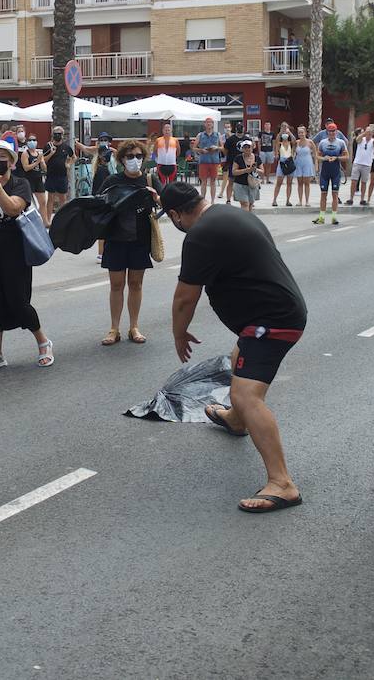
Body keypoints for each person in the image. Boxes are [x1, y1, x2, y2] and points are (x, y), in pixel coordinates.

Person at [162, 182, 307, 514]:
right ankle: (236, 420)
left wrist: (178, 334)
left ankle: (282, 483)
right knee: (237, 357)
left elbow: (185, 297)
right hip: (274, 312)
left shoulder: (199, 235)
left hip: (271, 322)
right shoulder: (228, 213)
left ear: (175, 215)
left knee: (246, 394)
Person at [0, 141, 53, 371]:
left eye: (2, 157)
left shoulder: (20, 183)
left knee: (18, 298)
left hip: (14, 246)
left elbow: (13, 208)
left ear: (12, 163)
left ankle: (43, 342)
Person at [97, 139, 160, 346]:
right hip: (115, 239)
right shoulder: (113, 180)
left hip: (139, 240)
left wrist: (156, 196)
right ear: (122, 159)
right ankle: (114, 328)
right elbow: (98, 206)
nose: (135, 160)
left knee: (136, 284)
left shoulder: (150, 179)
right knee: (116, 285)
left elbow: (166, 202)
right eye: (130, 156)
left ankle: (134, 326)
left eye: (139, 156)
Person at [312, 123, 349, 225]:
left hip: (335, 171)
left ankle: (334, 217)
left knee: (335, 194)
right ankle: (322, 217)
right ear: (327, 132)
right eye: (330, 131)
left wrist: (337, 158)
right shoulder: (322, 143)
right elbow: (317, 156)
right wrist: (324, 158)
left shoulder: (341, 143)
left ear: (336, 132)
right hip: (325, 171)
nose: (332, 133)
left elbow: (347, 157)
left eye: (333, 131)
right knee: (323, 194)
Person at [44, 125, 74, 223]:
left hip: (62, 176)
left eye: (59, 134)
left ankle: (63, 221)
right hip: (51, 175)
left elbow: (73, 157)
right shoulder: (48, 146)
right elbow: (43, 160)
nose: (57, 135)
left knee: (63, 199)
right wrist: (51, 153)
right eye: (55, 134)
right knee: (50, 198)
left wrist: (68, 164)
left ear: (62, 135)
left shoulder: (66, 147)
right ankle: (48, 220)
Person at [193, 118, 225, 204]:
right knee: (203, 181)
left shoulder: (218, 135)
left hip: (214, 161)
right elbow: (194, 148)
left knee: (213, 181)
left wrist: (217, 148)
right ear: (204, 124)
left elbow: (223, 148)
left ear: (213, 124)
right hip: (203, 161)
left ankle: (213, 201)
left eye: (210, 122)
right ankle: (203, 200)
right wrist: (201, 150)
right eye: (207, 122)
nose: (209, 124)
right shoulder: (200, 135)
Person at [19, 137, 47, 223]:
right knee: (28, 202)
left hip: (38, 179)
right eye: (30, 140)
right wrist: (36, 162)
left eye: (34, 140)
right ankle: (28, 221)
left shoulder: (38, 153)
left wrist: (41, 162)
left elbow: (45, 168)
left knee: (43, 202)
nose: (32, 142)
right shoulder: (25, 154)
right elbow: (26, 168)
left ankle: (45, 222)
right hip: (29, 179)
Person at [347, 125, 374, 206]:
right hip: (357, 163)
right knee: (354, 181)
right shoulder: (361, 139)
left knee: (364, 182)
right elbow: (357, 139)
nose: (368, 134)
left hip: (367, 164)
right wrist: (364, 134)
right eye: (367, 132)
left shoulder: (373, 141)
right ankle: (351, 198)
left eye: (370, 133)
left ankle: (362, 199)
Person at [229, 138, 261, 211]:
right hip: (240, 184)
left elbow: (262, 171)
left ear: (252, 148)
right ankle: (245, 220)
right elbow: (234, 172)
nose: (247, 149)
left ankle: (248, 220)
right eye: (245, 147)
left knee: (250, 204)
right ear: (242, 149)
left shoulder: (257, 158)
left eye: (249, 147)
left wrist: (255, 169)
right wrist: (246, 170)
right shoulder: (238, 158)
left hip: (253, 184)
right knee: (245, 204)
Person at [272, 123, 297, 207]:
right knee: (279, 182)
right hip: (282, 163)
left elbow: (294, 141)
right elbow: (276, 141)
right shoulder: (279, 143)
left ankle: (288, 200)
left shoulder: (290, 143)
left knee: (289, 183)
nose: (284, 128)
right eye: (283, 127)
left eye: (286, 127)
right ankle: (274, 200)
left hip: (289, 162)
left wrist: (289, 132)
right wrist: (280, 132)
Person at [292, 123, 316, 207]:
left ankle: (307, 201)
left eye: (302, 132)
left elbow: (315, 155)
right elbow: (293, 152)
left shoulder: (310, 142)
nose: (301, 134)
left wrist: (316, 166)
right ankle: (300, 201)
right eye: (299, 133)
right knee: (299, 183)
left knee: (307, 183)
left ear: (305, 133)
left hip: (307, 163)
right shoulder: (296, 142)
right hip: (298, 163)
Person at [153, 122, 180, 188]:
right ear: (163, 131)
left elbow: (178, 151)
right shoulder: (158, 140)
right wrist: (160, 157)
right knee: (161, 183)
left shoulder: (175, 140)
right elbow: (155, 151)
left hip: (172, 164)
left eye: (168, 130)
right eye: (165, 130)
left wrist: (173, 157)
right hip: (161, 164)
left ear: (171, 131)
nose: (167, 131)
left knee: (173, 184)